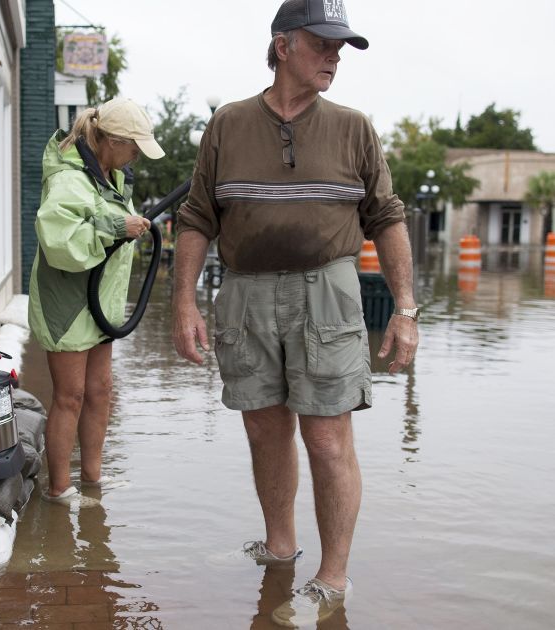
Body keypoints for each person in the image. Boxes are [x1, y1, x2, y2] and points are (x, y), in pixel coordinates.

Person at [171, 0, 419, 626]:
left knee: (327, 437)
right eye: (323, 43)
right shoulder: (227, 124)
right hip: (245, 291)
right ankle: (279, 547)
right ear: (282, 46)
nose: (335, 56)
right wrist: (183, 303)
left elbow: (386, 219)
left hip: (329, 292)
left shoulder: (354, 127)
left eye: (342, 46)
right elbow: (198, 217)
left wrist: (406, 309)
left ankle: (333, 580)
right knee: (264, 427)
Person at [27, 98, 165, 506]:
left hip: (99, 305)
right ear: (109, 140)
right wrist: (114, 225)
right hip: (68, 304)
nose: (137, 155)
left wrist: (119, 225)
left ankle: (92, 478)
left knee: (101, 390)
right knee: (70, 395)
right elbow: (58, 241)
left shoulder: (111, 176)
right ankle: (58, 489)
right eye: (134, 147)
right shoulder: (70, 179)